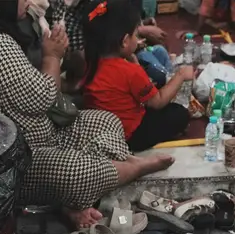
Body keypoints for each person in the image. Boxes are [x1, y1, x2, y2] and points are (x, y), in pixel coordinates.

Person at [0, 0, 176, 230]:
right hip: (14, 166)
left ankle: (73, 201)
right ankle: (132, 169)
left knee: (105, 120)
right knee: (78, 173)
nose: (29, 1)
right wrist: (52, 57)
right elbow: (42, 99)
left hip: (43, 138)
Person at [81, 0, 191, 151]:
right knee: (179, 113)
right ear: (125, 41)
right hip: (129, 136)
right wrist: (181, 75)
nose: (137, 40)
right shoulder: (129, 71)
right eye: (136, 35)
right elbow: (156, 102)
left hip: (102, 130)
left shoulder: (88, 62)